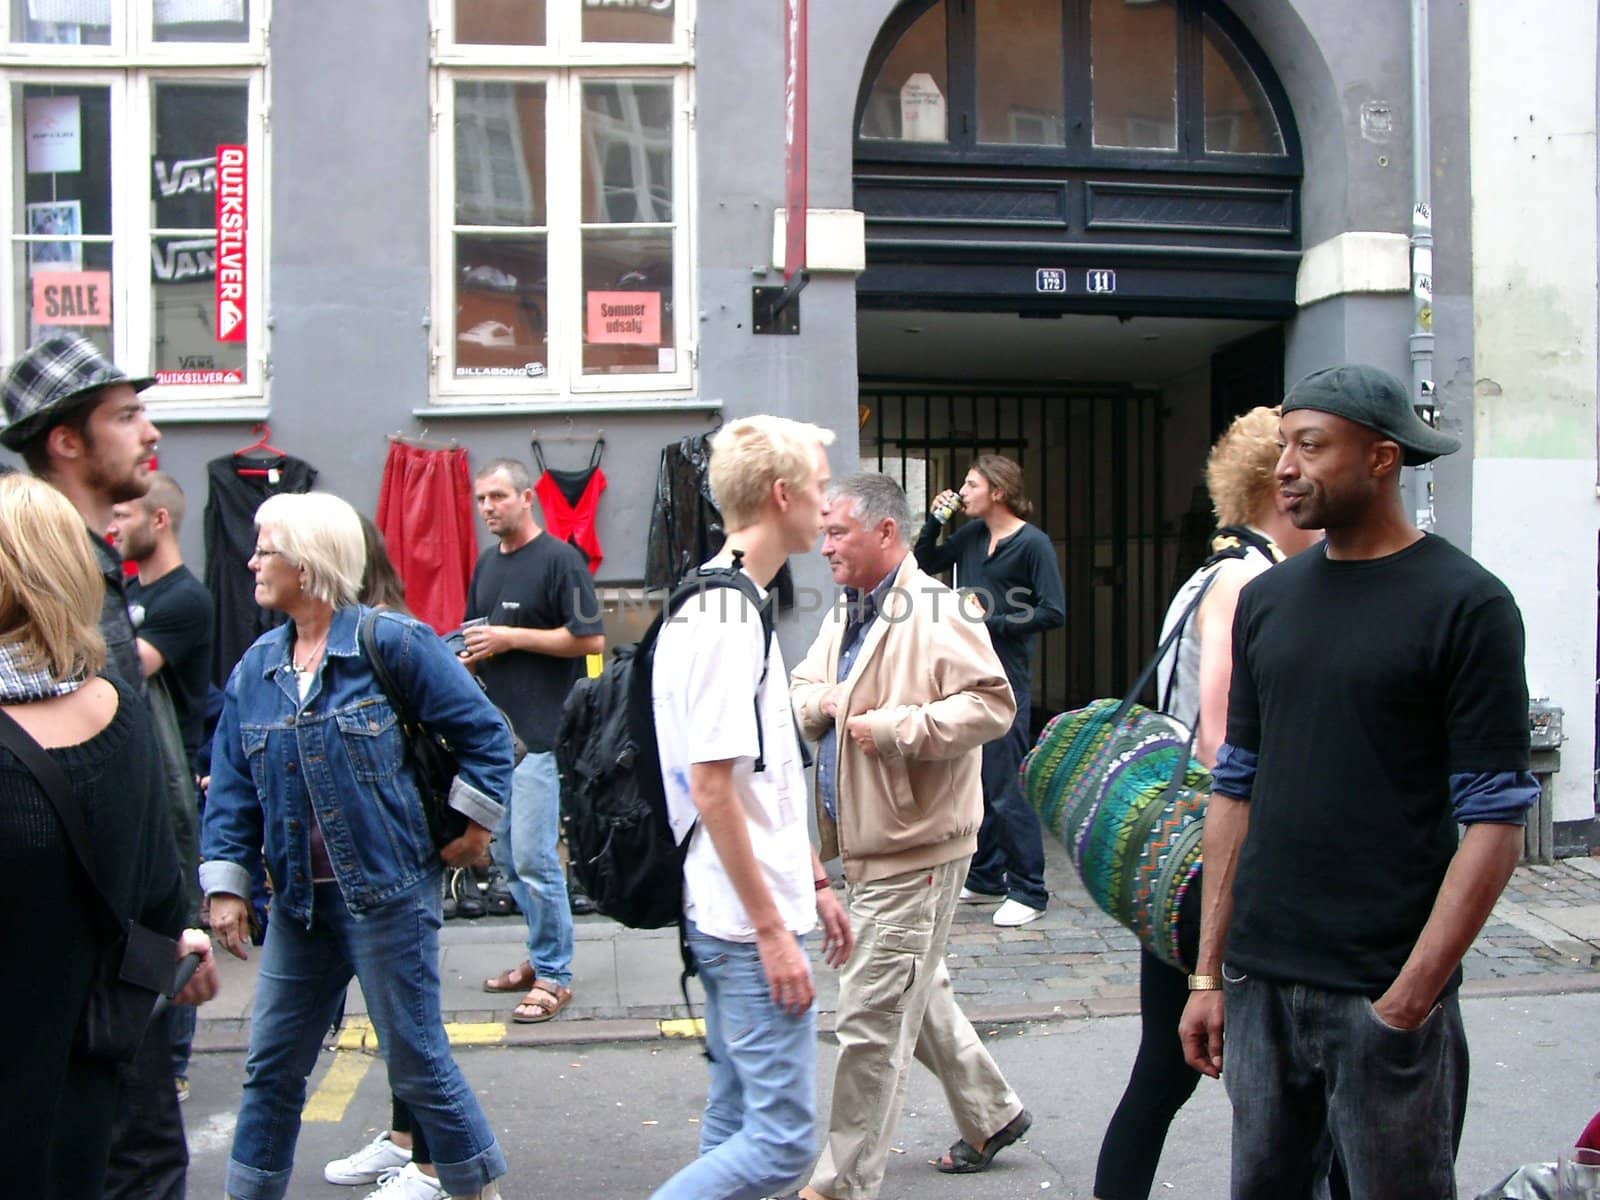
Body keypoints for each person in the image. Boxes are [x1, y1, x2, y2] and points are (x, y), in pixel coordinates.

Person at [1178, 365, 1539, 1198]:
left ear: (1381, 459)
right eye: (1283, 447)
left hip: (1382, 989)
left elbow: (1496, 825)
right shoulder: (1268, 600)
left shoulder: (1468, 605)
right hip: (1260, 984)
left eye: (1311, 446)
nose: (1286, 468)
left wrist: (1407, 1003)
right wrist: (1208, 973)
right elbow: (1234, 790)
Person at [200, 491, 515, 1200]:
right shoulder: (257, 669)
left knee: (416, 1061)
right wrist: (226, 884)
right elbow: (232, 786)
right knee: (272, 1066)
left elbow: (486, 735)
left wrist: (475, 826)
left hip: (390, 892)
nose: (251, 560)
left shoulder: (391, 644)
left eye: (265, 548)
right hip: (299, 907)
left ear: (306, 565)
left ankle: (473, 1190)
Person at [1092, 408, 1320, 1200]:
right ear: (1273, 484)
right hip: (1218, 862)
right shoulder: (1247, 580)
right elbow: (1222, 736)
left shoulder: (1203, 574)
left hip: (1178, 862)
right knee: (1277, 1086)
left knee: (1162, 1073)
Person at [789, 473, 1029, 1200]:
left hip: (914, 850)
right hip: (867, 845)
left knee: (870, 1021)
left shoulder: (935, 608)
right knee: (910, 991)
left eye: (837, 532)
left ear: (884, 533)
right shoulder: (850, 611)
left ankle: (839, 1186)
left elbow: (993, 705)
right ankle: (994, 1113)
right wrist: (822, 702)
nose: (823, 544)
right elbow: (800, 687)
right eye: (824, 531)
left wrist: (901, 730)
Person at [0, 333, 200, 1198]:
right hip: (88, 964)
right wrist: (162, 924)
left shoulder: (97, 573)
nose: (149, 432)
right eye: (126, 415)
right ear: (65, 441)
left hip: (120, 949)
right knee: (128, 1158)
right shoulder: (57, 585)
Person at [648, 416, 853, 1200]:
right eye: (821, 483)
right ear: (781, 494)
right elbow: (711, 788)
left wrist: (816, 883)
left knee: (736, 1117)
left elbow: (760, 777)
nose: (827, 503)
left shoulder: (730, 599)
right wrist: (774, 929)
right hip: (740, 920)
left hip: (741, 905)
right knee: (780, 1145)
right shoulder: (726, 617)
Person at [466, 457, 603, 1023]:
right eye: (481, 500)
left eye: (498, 496)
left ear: (528, 498)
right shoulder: (485, 563)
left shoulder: (560, 560)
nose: (487, 508)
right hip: (495, 740)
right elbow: (478, 635)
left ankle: (554, 974)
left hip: (543, 736)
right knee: (503, 855)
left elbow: (588, 638)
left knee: (533, 857)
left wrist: (509, 637)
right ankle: (539, 954)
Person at [915, 454, 1065, 926]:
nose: (963, 490)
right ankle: (985, 876)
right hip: (969, 670)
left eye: (971, 483)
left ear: (997, 491)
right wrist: (932, 522)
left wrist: (993, 621)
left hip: (1007, 677)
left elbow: (1052, 611)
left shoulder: (1033, 545)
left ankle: (1029, 889)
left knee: (1005, 783)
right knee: (977, 777)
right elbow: (925, 563)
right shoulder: (973, 536)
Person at [108, 469, 215, 1104]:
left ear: (159, 521)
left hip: (171, 786)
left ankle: (171, 1064)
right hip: (135, 771)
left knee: (169, 917)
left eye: (124, 516)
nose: (112, 527)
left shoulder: (184, 599)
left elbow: (123, 666)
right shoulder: (123, 593)